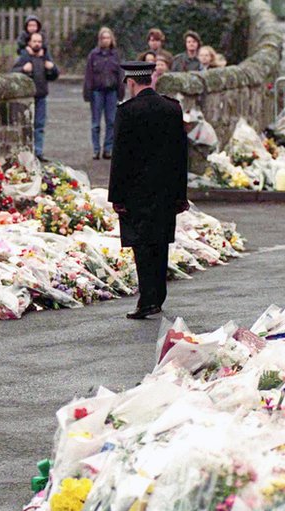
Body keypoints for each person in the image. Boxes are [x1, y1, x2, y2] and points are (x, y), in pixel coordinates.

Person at [108, 61, 189, 320]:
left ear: (131, 82)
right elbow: (181, 156)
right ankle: (158, 296)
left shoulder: (128, 112)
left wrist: (116, 196)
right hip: (165, 189)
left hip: (137, 191)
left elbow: (120, 158)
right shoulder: (172, 108)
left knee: (142, 245)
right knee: (160, 241)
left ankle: (147, 299)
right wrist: (181, 194)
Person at [13, 32, 59, 162]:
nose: (37, 44)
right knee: (26, 125)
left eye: (39, 41)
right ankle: (25, 153)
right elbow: (13, 73)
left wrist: (52, 68)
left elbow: (54, 75)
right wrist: (23, 69)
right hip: (27, 98)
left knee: (39, 125)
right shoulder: (24, 56)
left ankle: (38, 152)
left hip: (41, 96)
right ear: (29, 43)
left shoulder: (44, 57)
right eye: (34, 41)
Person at [83, 27, 125, 160]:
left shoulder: (116, 55)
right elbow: (88, 75)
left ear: (111, 39)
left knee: (111, 122)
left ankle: (108, 149)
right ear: (99, 40)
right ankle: (96, 150)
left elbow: (120, 74)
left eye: (107, 37)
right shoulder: (93, 55)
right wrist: (87, 92)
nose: (105, 40)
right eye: (103, 38)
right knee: (95, 123)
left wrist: (121, 91)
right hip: (97, 91)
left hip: (112, 91)